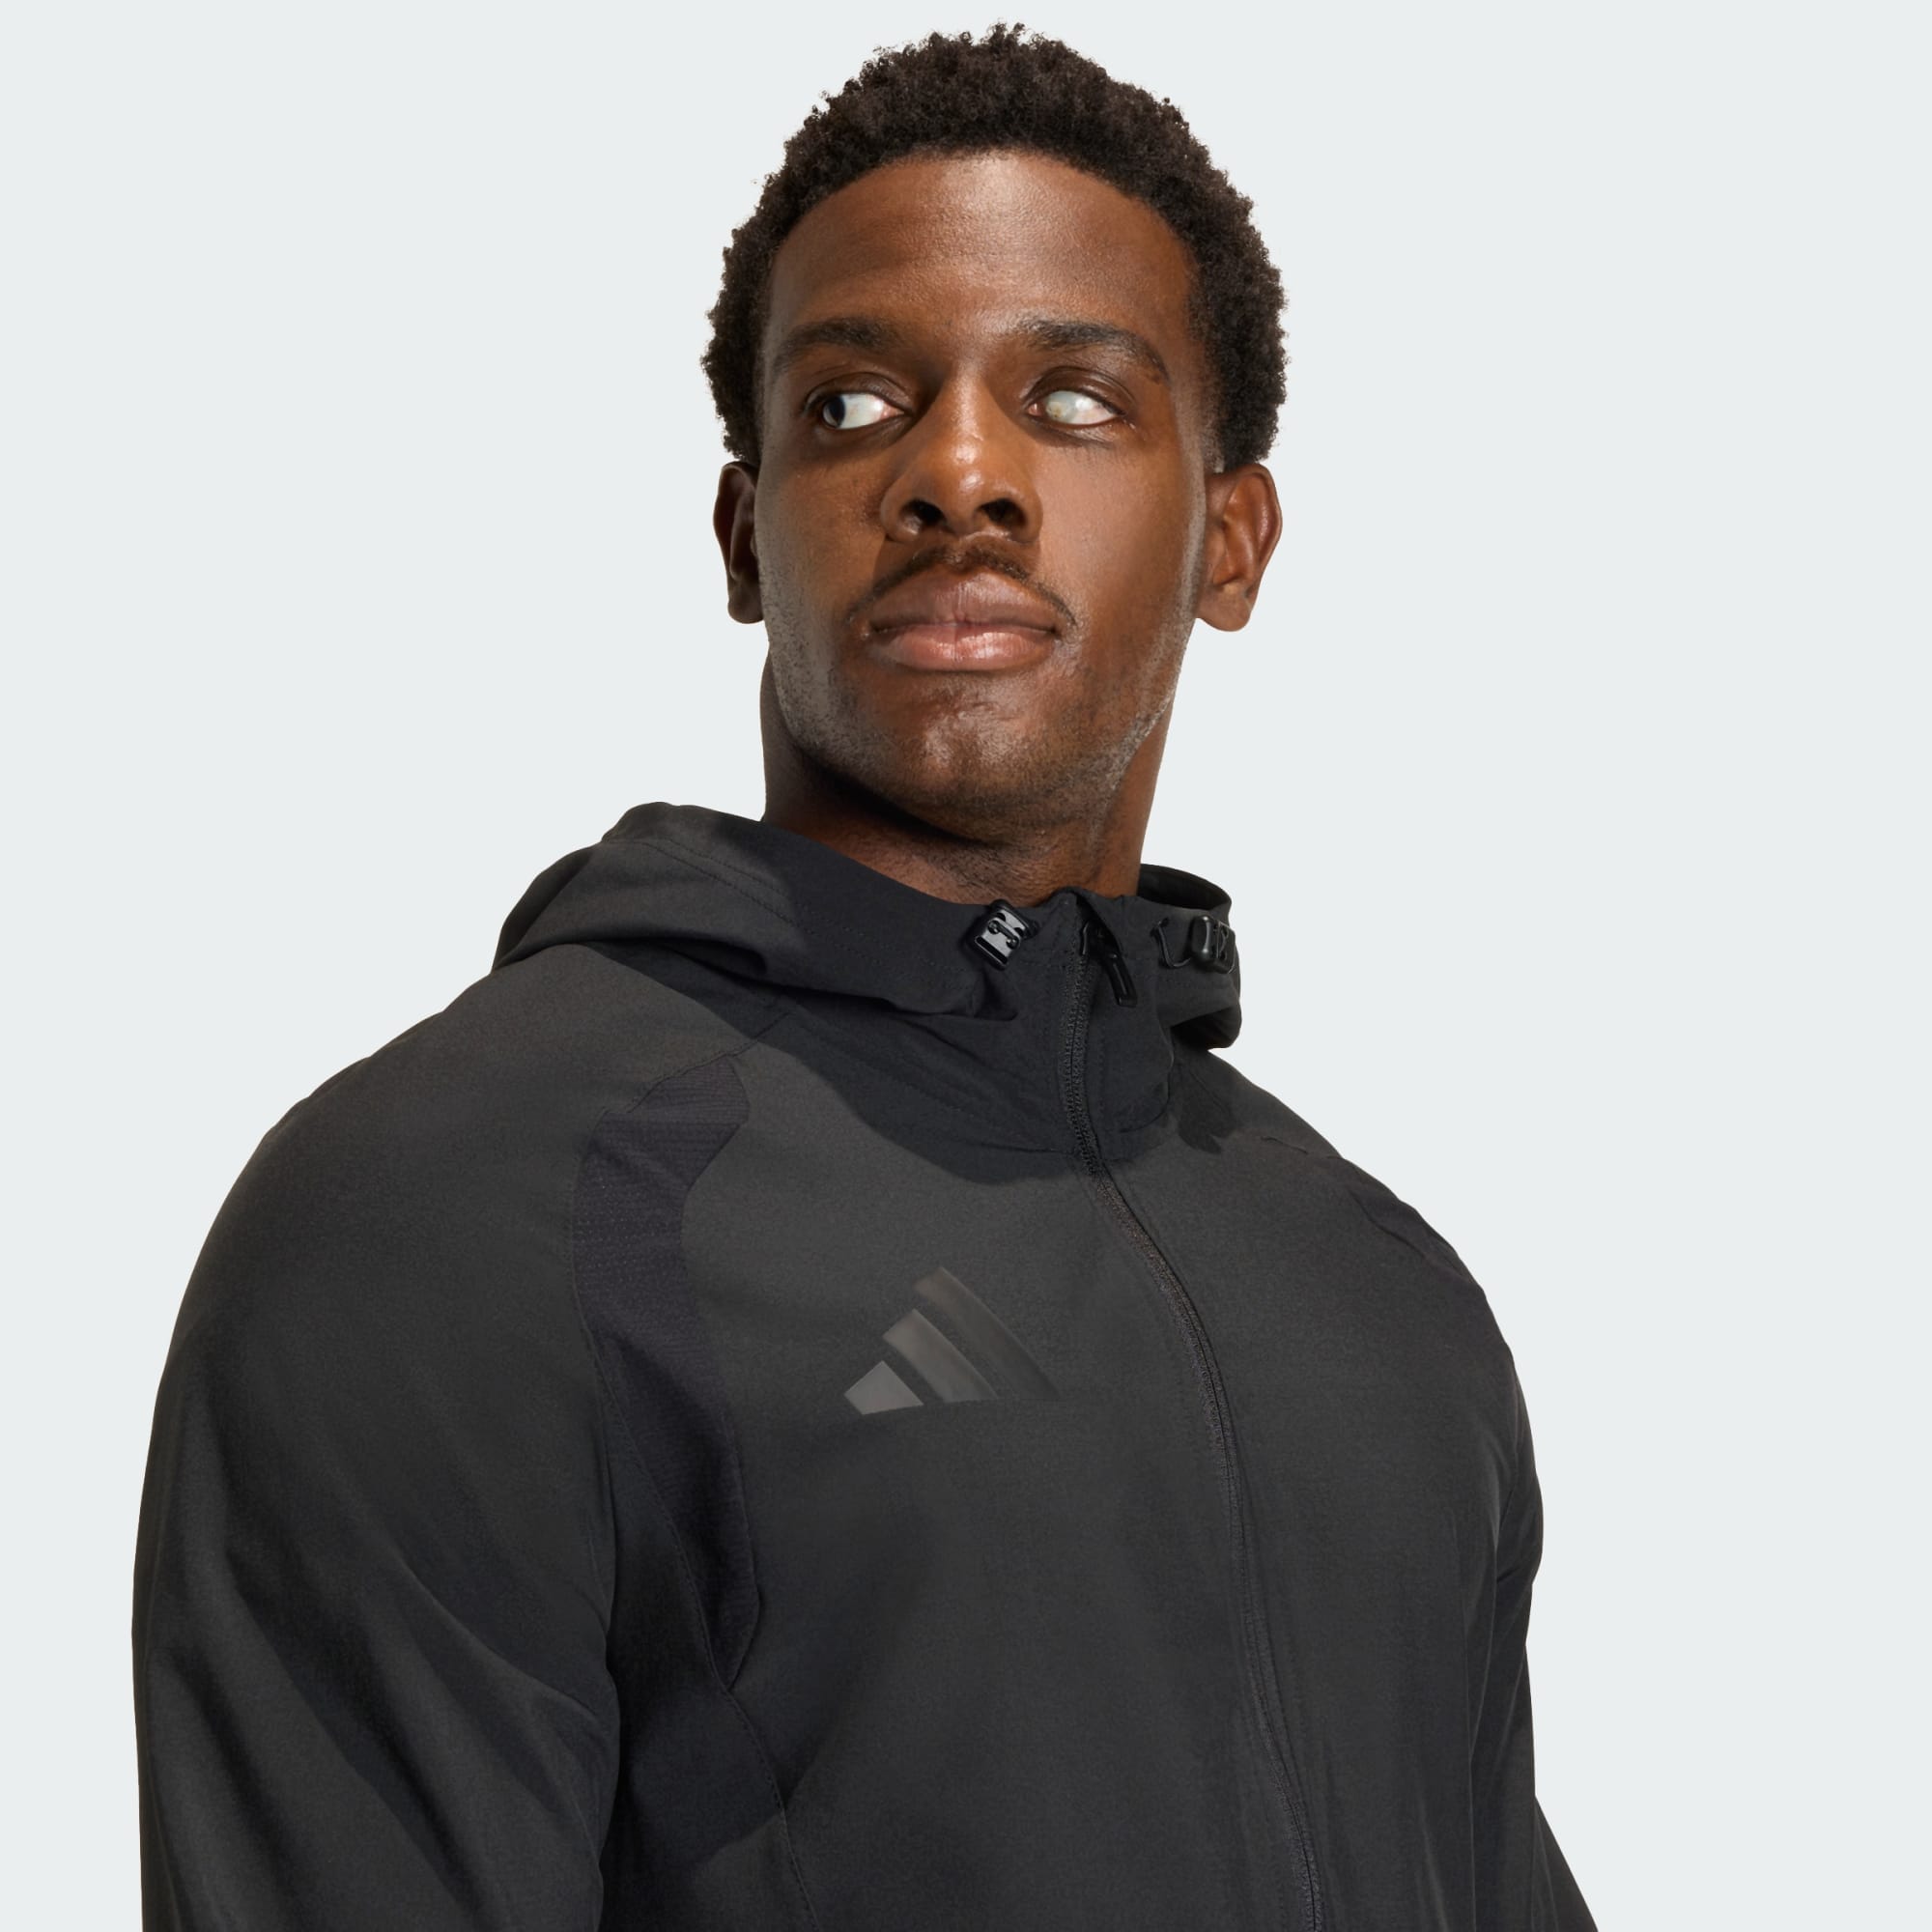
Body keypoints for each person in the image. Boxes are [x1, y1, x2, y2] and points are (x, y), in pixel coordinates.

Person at [133, 25, 1596, 1931]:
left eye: (1072, 399)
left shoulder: (1371, 1284)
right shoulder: (452, 1210)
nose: (959, 474)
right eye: (850, 404)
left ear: (1229, 538)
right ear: (747, 536)